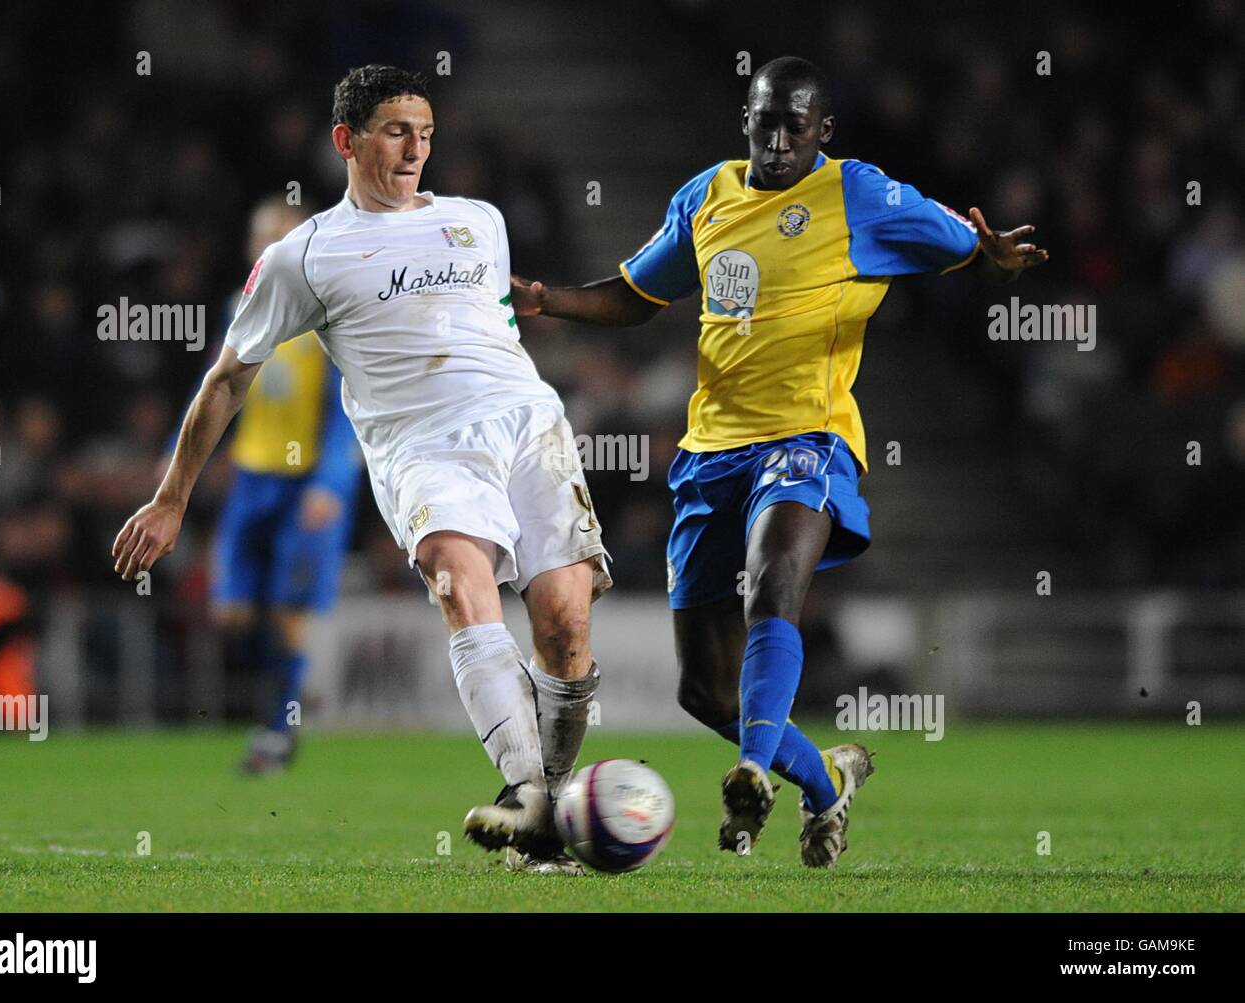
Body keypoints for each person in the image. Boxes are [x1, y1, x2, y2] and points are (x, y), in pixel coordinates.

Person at [511, 56, 1047, 867]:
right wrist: (551, 299)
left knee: (773, 587)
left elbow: (955, 239)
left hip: (810, 435)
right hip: (710, 451)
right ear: (747, 119)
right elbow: (636, 293)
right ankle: (826, 782)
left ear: (822, 130)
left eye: (797, 123)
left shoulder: (856, 193)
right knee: (704, 690)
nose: (780, 137)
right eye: (767, 120)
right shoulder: (707, 196)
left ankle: (754, 770)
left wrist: (988, 253)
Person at [112, 64, 610, 874]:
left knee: (565, 624)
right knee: (458, 582)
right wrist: (171, 499)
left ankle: (547, 809)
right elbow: (227, 377)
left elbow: (492, 324)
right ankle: (526, 788)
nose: (415, 148)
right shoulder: (304, 256)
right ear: (347, 140)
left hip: (528, 424)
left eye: (425, 133)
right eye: (395, 131)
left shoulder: (479, 221)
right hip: (419, 443)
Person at [164, 197, 364, 775]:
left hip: (305, 488)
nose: (274, 247)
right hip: (252, 480)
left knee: (285, 612)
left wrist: (331, 481)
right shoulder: (240, 306)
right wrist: (174, 459)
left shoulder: (328, 313)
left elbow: (342, 409)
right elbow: (216, 387)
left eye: (285, 237)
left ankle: (278, 731)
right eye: (265, 238)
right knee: (230, 612)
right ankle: (282, 702)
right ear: (255, 248)